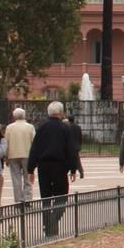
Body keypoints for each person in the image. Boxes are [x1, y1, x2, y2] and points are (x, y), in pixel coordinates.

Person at [27, 102, 83, 238]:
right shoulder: (65, 128)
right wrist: (73, 168)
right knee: (61, 197)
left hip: (43, 166)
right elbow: (71, 150)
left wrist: (30, 169)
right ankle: (53, 222)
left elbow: (35, 148)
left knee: (45, 198)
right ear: (61, 113)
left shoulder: (42, 128)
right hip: (59, 166)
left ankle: (48, 227)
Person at [4, 107, 35, 204]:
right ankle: (27, 199)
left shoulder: (9, 127)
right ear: (24, 115)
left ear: (14, 116)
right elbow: (34, 142)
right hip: (27, 155)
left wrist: (6, 156)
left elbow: (6, 143)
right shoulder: (30, 127)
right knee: (27, 178)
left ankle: (18, 200)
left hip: (13, 155)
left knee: (16, 179)